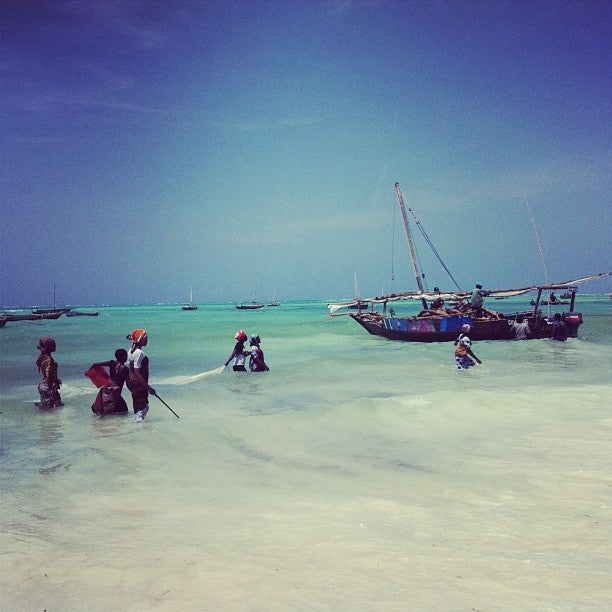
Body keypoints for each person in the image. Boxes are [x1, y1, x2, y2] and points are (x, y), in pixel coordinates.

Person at [126, 329, 156, 422]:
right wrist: (149, 388)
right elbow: (137, 373)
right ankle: (139, 428)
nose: (147, 340)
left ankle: (137, 428)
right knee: (144, 408)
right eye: (145, 338)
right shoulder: (139, 353)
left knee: (138, 408)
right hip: (140, 385)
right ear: (140, 339)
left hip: (133, 384)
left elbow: (130, 371)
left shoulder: (130, 351)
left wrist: (129, 384)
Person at [89, 349, 130, 414]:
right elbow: (128, 383)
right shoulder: (126, 369)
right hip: (117, 393)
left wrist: (93, 368)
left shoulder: (112, 363)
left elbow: (97, 364)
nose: (127, 357)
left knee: (107, 408)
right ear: (123, 357)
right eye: (126, 356)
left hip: (108, 389)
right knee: (124, 411)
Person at [35, 336, 63, 408]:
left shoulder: (43, 357)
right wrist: (53, 386)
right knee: (56, 408)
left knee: (48, 410)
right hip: (49, 385)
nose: (55, 345)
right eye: (53, 344)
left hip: (43, 385)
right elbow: (48, 374)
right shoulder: (49, 359)